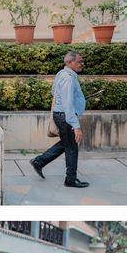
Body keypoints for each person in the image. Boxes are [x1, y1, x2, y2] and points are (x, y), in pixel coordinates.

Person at [30, 51, 89, 188]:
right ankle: (70, 179)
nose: (82, 64)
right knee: (72, 147)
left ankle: (39, 162)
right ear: (70, 62)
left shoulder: (61, 74)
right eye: (79, 61)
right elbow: (67, 105)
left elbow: (54, 92)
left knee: (66, 143)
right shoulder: (68, 78)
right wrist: (76, 126)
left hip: (61, 115)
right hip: (65, 116)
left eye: (82, 61)